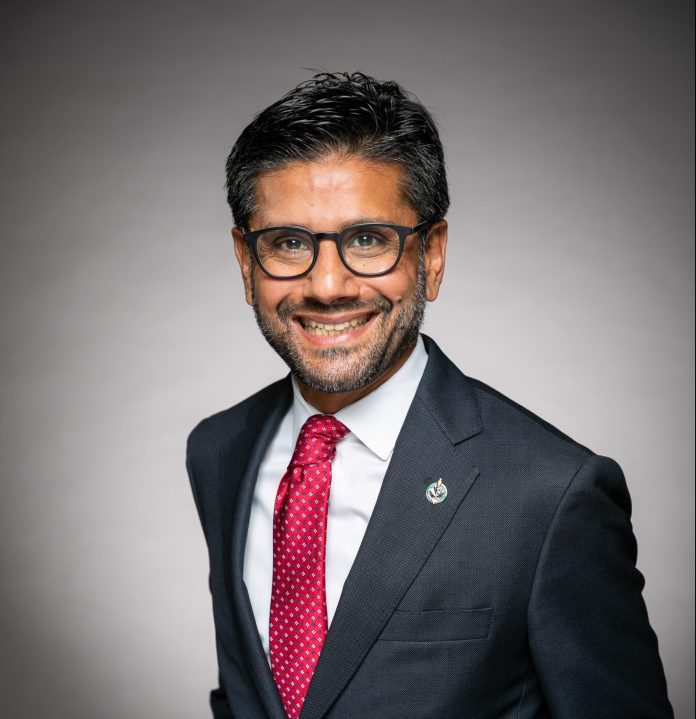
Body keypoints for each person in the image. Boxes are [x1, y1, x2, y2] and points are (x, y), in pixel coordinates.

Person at [186, 72, 672, 719]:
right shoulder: (219, 450)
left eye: (368, 239)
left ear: (432, 254)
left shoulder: (551, 492)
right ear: (247, 264)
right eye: (288, 244)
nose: (327, 284)